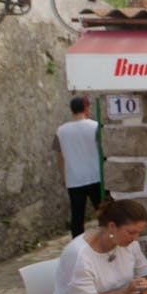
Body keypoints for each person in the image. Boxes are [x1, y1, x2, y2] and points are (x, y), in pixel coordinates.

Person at [54, 96, 102, 238]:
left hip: (74, 178)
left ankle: (77, 246)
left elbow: (59, 156)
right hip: (96, 176)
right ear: (86, 108)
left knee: (77, 216)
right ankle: (108, 241)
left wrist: (63, 176)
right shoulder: (95, 127)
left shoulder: (61, 131)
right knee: (104, 213)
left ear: (71, 109)